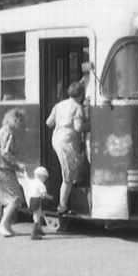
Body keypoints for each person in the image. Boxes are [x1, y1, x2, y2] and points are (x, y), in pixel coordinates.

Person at [46, 81, 87, 213]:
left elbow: (49, 122)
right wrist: (91, 124)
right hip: (67, 141)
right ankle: (62, 206)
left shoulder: (59, 105)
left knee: (72, 168)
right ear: (81, 94)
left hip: (56, 139)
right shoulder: (77, 107)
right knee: (68, 177)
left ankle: (71, 193)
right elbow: (79, 127)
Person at [0, 108, 26, 237]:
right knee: (15, 198)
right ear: (15, 120)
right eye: (20, 121)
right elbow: (5, 152)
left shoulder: (2, 130)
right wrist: (18, 163)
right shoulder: (8, 132)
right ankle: (2, 224)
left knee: (8, 198)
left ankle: (7, 226)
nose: (21, 124)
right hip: (4, 169)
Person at [27, 166, 52, 240]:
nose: (45, 179)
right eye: (44, 177)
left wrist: (25, 173)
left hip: (31, 200)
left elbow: (27, 179)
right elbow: (44, 194)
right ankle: (34, 234)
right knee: (37, 217)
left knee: (38, 214)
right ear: (40, 176)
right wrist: (50, 197)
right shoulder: (41, 185)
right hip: (36, 201)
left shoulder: (33, 182)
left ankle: (39, 230)